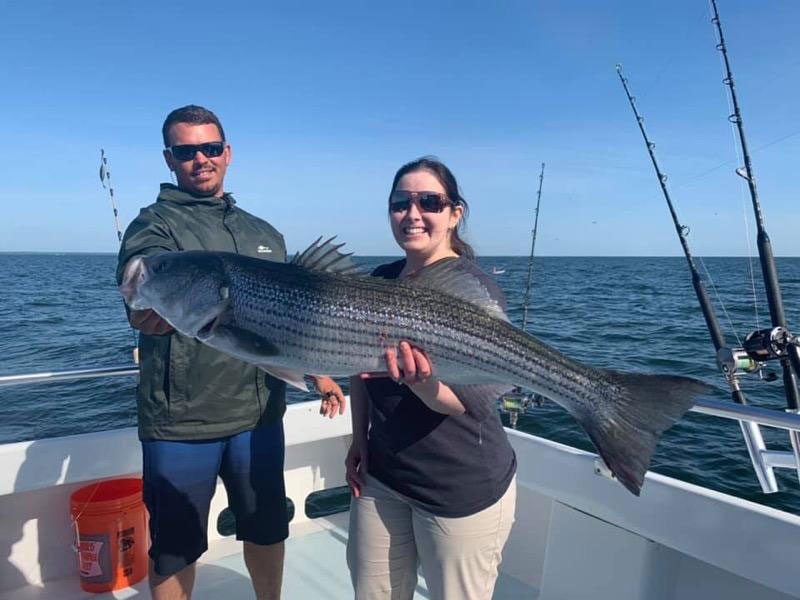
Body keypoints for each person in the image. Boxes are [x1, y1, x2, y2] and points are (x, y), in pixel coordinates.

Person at [116, 105, 345, 600]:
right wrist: (144, 302)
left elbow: (291, 323)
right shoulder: (154, 226)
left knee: (267, 528)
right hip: (182, 422)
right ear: (169, 159)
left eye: (211, 147)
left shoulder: (264, 233)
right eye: (186, 151)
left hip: (259, 416)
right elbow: (140, 286)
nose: (200, 158)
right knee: (175, 548)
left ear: (227, 153)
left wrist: (318, 373)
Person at [345, 157, 517, 600]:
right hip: (383, 476)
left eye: (429, 202)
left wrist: (420, 381)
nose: (413, 213)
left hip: (459, 487)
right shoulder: (380, 279)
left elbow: (467, 401)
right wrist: (360, 439)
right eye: (400, 203)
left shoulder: (475, 290)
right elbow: (359, 370)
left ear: (455, 213)